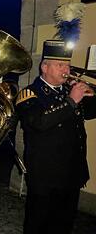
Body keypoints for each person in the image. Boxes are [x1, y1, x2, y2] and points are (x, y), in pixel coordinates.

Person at [16, 40, 96, 234]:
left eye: (67, 65)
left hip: (72, 173)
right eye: (60, 65)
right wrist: (71, 102)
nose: (66, 69)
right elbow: (39, 122)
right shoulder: (29, 94)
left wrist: (88, 93)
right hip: (45, 175)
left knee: (64, 223)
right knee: (39, 223)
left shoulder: (70, 91)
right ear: (45, 67)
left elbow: (91, 112)